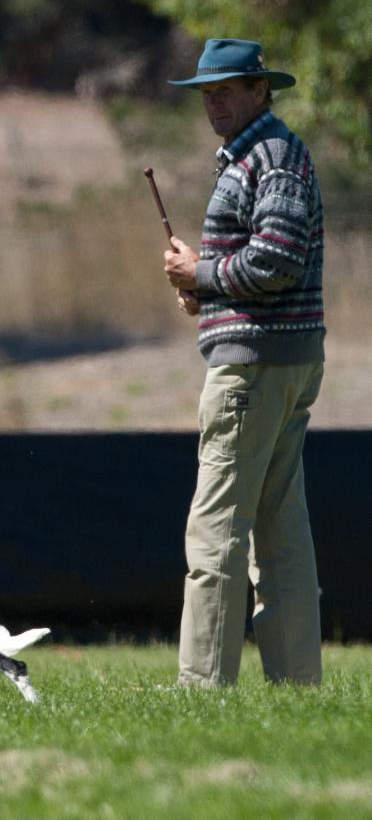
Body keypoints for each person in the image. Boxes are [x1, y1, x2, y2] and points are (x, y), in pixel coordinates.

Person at [163, 38, 325, 687]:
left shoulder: (270, 156)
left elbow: (276, 260)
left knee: (215, 536)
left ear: (262, 90)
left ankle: (202, 690)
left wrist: (201, 273)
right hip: (281, 362)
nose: (214, 101)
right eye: (206, 91)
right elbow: (262, 266)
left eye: (227, 89)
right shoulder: (265, 154)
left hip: (253, 370)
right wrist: (204, 287)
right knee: (280, 538)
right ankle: (297, 689)